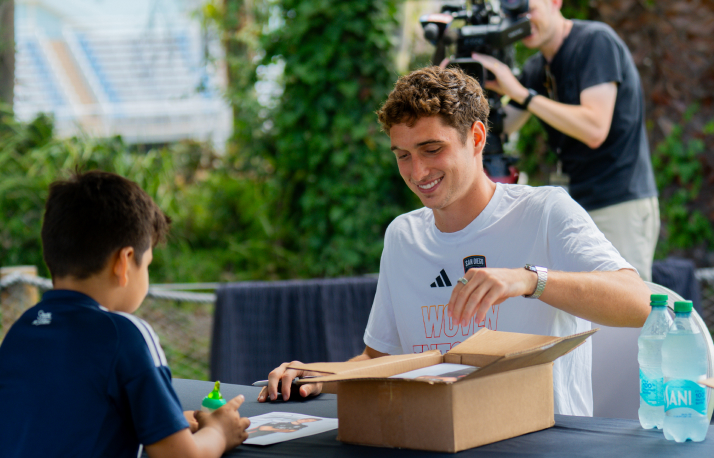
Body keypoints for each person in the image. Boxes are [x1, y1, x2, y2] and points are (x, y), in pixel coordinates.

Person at [258, 66, 651, 416]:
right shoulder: (402, 235)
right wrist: (319, 376)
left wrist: (530, 280)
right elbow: (380, 358)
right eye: (403, 155)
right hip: (433, 438)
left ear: (477, 137)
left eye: (432, 149)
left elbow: (639, 304)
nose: (417, 171)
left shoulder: (544, 210)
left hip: (540, 441)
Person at [0, 171, 250, 458]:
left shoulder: (20, 331)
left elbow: (66, 421)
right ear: (125, 261)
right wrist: (219, 431)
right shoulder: (125, 334)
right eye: (148, 266)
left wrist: (170, 422)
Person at [470, 0, 659, 281]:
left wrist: (523, 94)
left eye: (529, 10)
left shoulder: (595, 42)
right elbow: (503, 125)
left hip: (618, 201)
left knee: (627, 307)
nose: (522, 22)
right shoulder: (537, 67)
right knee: (583, 312)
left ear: (555, 2)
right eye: (514, 15)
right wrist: (468, 87)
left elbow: (594, 128)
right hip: (576, 204)